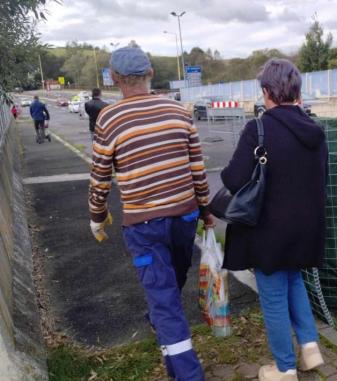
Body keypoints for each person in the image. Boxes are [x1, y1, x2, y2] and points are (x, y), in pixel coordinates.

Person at [87, 46, 213, 381]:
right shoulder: (179, 112)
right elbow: (197, 169)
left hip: (143, 225)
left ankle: (188, 375)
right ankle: (168, 339)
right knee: (170, 288)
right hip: (185, 217)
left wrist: (96, 216)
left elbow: (100, 177)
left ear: (114, 78)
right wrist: (207, 211)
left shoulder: (109, 118)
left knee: (164, 299)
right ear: (151, 74)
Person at [220, 59, 328, 381]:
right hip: (306, 228)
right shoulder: (315, 131)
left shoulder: (259, 128)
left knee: (273, 296)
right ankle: (310, 349)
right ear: (296, 91)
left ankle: (284, 369)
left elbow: (233, 179)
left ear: (267, 91)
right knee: (294, 280)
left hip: (270, 232)